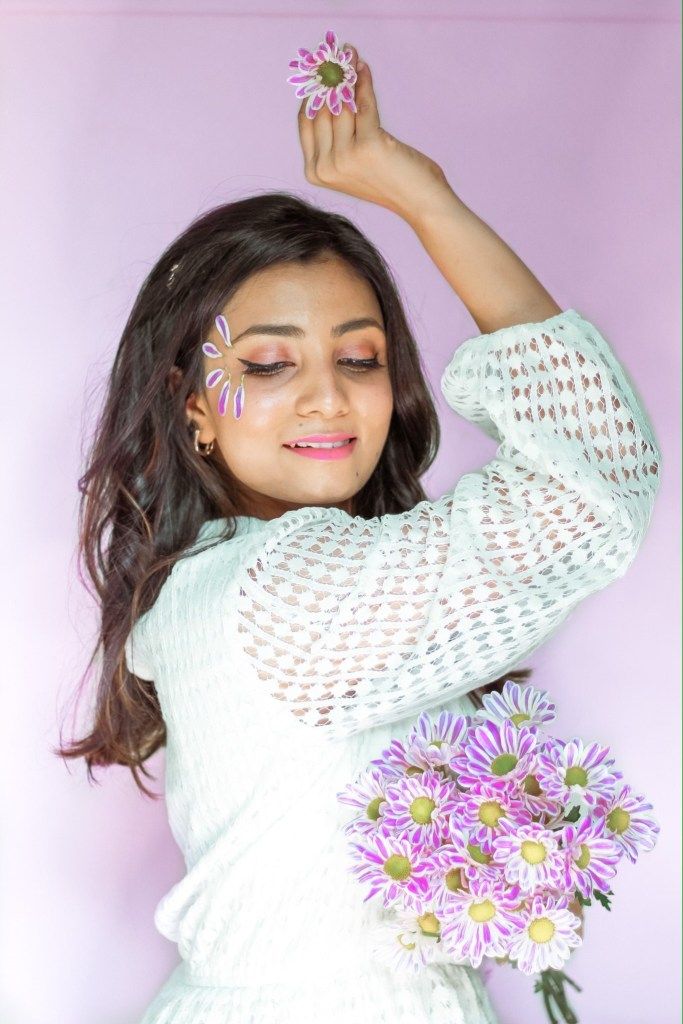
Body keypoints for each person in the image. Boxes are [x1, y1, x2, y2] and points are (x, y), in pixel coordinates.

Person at [56, 42, 660, 1024]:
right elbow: (592, 495)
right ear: (192, 407)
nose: (326, 394)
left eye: (359, 354)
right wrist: (426, 200)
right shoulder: (281, 590)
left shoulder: (205, 586)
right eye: (265, 365)